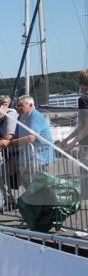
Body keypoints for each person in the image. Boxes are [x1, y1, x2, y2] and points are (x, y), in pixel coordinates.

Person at [57, 69, 88, 200]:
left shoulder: (83, 99)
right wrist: (67, 139)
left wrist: (73, 142)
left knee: (85, 172)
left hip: (86, 144)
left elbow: (86, 125)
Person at [13, 94, 54, 190]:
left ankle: (43, 201)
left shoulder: (35, 116)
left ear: (31, 105)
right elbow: (17, 134)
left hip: (41, 154)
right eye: (17, 106)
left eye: (21, 105)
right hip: (29, 154)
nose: (18, 108)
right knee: (28, 179)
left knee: (38, 180)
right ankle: (34, 200)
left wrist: (12, 142)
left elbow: (31, 137)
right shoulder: (21, 117)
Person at [0, 96, 20, 209]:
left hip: (19, 152)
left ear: (4, 106)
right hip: (9, 153)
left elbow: (8, 136)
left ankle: (30, 204)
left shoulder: (10, 114)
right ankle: (10, 200)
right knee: (0, 174)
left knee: (26, 179)